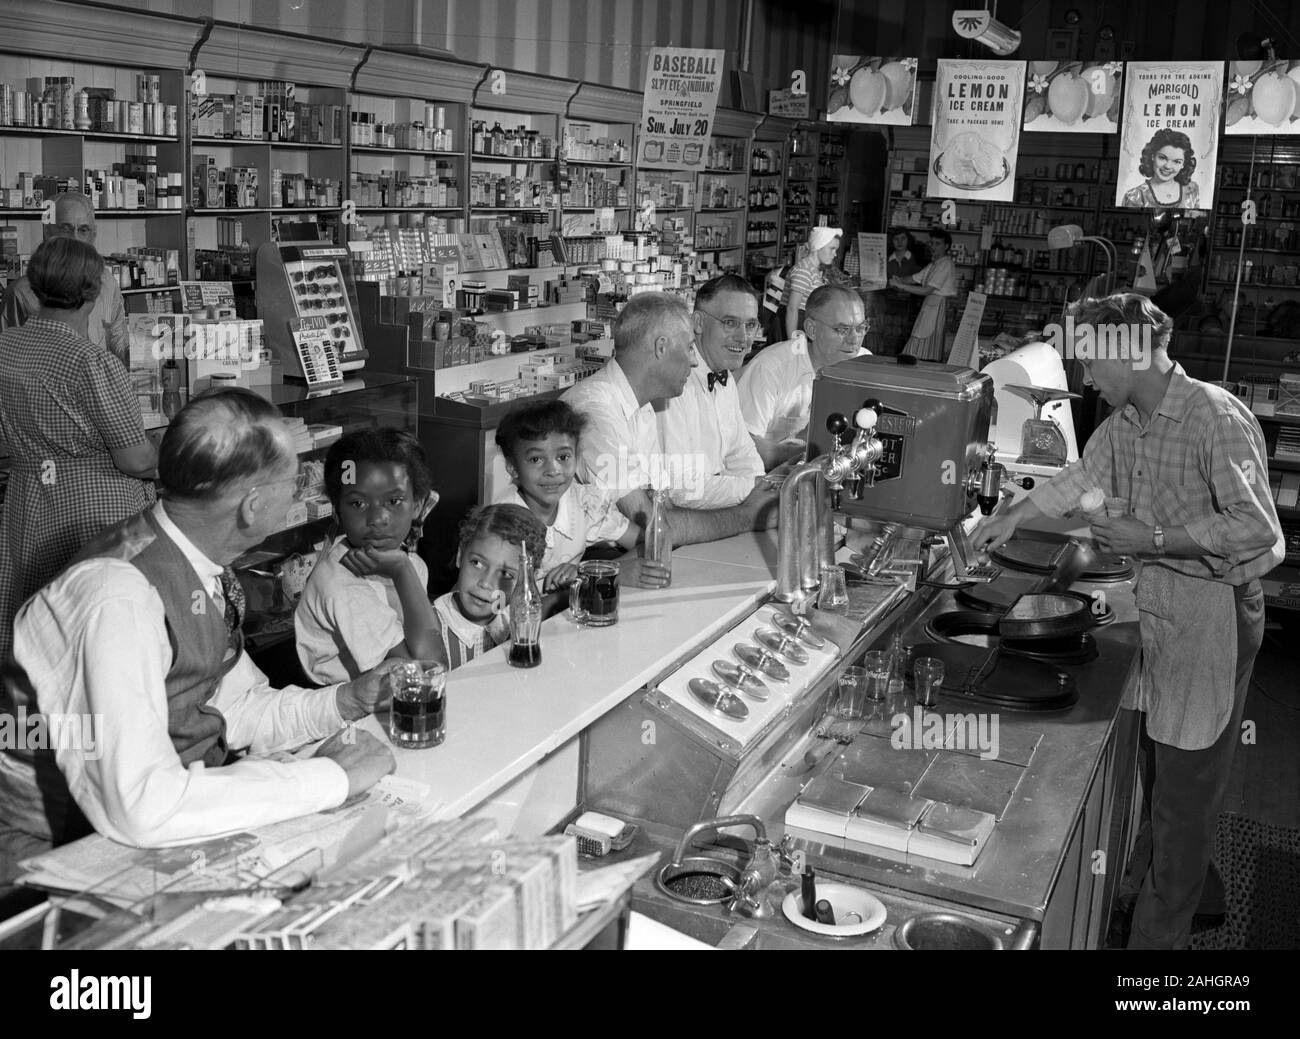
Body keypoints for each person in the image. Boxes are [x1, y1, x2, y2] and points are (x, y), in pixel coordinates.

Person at [970, 294, 1284, 950]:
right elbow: (1081, 475)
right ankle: (1166, 894)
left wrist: (1156, 536)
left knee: (1183, 798)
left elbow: (1261, 533)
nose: (1085, 375)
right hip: (1162, 605)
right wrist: (1012, 517)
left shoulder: (1213, 416)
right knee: (1162, 773)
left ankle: (1154, 951)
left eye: (1090, 357)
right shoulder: (1125, 422)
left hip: (1212, 614)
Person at [0, 389, 397, 881]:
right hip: (59, 870)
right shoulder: (115, 598)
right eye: (294, 483)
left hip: (151, 836)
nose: (300, 495)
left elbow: (233, 710)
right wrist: (332, 777)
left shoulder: (199, 565)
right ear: (253, 507)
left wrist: (347, 701)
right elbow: (142, 805)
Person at [0, 238, 158, 668]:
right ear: (93, 291)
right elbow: (136, 459)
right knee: (99, 639)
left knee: (38, 628)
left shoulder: (7, 347)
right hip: (93, 513)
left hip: (29, 503)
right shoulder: (91, 361)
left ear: (35, 285)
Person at [561, 292, 778, 545]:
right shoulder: (596, 412)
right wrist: (749, 516)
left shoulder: (642, 406)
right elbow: (656, 524)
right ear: (661, 347)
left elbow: (665, 500)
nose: (695, 361)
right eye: (689, 348)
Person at [295, 428, 442, 684]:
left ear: (417, 505)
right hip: (348, 714)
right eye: (358, 504)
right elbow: (429, 673)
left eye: (394, 501)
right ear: (336, 510)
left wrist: (404, 568)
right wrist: (402, 571)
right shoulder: (342, 585)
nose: (377, 519)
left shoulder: (411, 563)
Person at [492, 399, 669, 592]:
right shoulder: (501, 523)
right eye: (536, 459)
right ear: (512, 467)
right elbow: (500, 603)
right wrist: (590, 577)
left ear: (576, 457)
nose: (553, 470)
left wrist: (605, 570)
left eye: (563, 457)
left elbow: (647, 544)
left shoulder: (585, 505)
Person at [658, 275, 766, 509]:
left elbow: (742, 455)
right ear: (697, 322)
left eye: (750, 325)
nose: (743, 337)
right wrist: (757, 489)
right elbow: (683, 489)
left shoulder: (724, 375)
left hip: (711, 505)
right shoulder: (674, 384)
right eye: (730, 323)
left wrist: (762, 488)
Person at [739, 284, 871, 471]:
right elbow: (742, 450)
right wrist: (812, 446)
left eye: (861, 328)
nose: (854, 339)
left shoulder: (864, 363)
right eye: (842, 330)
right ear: (811, 329)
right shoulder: (770, 369)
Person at [1, 191, 129, 365]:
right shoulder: (21, 293)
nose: (75, 239)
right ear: (47, 232)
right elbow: (9, 360)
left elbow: (119, 343)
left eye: (83, 230)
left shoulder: (107, 282)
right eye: (66, 229)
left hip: (99, 385)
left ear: (93, 234)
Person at [432, 503, 546, 669]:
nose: (485, 583)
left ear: (527, 582)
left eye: (506, 574)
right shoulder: (428, 628)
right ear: (460, 555)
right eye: (477, 563)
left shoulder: (517, 622)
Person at [892, 228, 957, 361]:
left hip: (937, 307)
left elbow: (927, 290)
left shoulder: (945, 264)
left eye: (937, 244)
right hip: (930, 307)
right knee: (919, 343)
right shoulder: (934, 263)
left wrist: (901, 286)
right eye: (931, 243)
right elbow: (914, 278)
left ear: (946, 246)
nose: (933, 247)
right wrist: (897, 279)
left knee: (923, 347)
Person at [785, 225, 843, 338]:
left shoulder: (813, 269)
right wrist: (791, 341)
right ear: (818, 247)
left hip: (803, 322)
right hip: (794, 325)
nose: (835, 254)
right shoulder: (804, 270)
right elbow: (792, 308)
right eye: (832, 248)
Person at [1122, 129, 1200, 209]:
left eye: (1177, 162)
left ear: (1183, 164)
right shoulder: (1135, 196)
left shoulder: (1192, 190)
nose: (1168, 166)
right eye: (1162, 158)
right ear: (1153, 156)